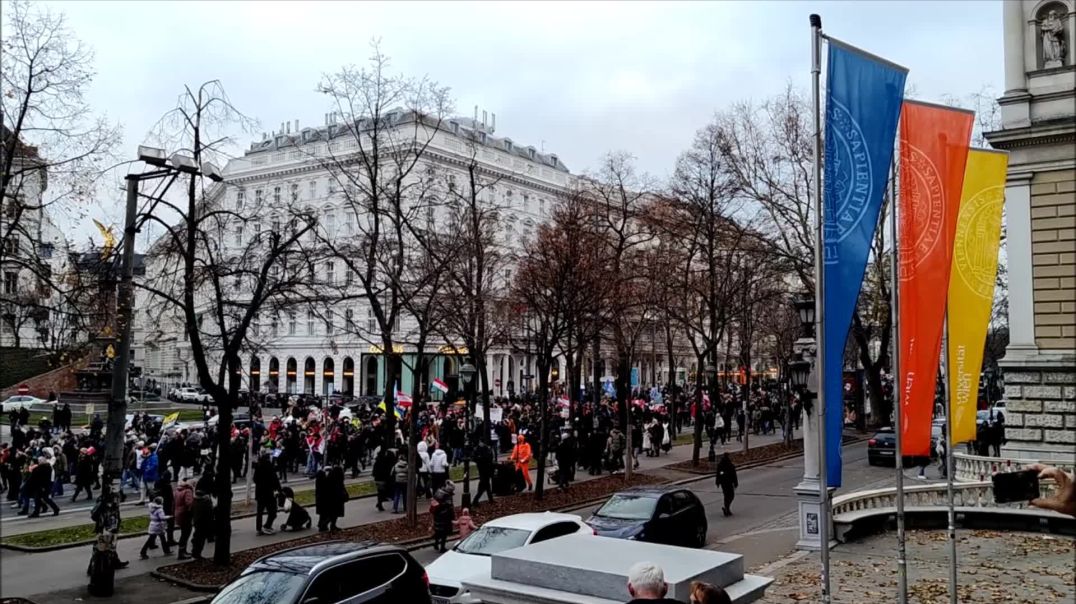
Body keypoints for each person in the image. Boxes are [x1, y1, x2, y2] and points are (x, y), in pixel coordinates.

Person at [253, 452, 280, 535]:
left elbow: (255, 479)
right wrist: (278, 489)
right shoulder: (270, 467)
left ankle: (258, 529)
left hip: (260, 493)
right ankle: (267, 526)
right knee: (273, 511)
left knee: (260, 512)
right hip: (268, 493)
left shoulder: (258, 467)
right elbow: (275, 480)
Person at [315, 463, 347, 532]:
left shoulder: (323, 478)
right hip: (336, 500)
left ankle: (323, 525)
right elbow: (340, 489)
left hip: (323, 499)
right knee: (333, 514)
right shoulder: (337, 478)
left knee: (325, 513)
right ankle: (327, 525)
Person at [430, 480, 456, 553]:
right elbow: (449, 506)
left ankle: (436, 543)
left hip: (437, 514)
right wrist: (452, 516)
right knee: (444, 532)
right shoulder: (447, 496)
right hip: (445, 516)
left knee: (438, 531)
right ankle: (442, 547)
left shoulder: (438, 491)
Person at [190, 487, 214, 559]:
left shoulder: (194, 501)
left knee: (197, 536)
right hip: (204, 523)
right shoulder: (205, 502)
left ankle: (194, 551)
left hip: (197, 521)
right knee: (201, 539)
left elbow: (191, 511)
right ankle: (197, 553)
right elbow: (210, 512)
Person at [173, 478, 194, 560]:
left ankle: (183, 551)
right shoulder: (188, 491)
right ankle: (182, 553)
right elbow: (189, 503)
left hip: (178, 513)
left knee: (183, 533)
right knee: (186, 533)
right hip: (185, 514)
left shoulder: (177, 490)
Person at [472, 440, 495, 508]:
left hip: (486, 469)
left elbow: (490, 457)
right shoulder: (477, 450)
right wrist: (480, 459)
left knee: (486, 485)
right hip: (482, 469)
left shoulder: (486, 449)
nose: (482, 444)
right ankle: (475, 501)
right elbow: (474, 458)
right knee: (484, 486)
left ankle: (490, 499)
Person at [372, 447, 395, 512]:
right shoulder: (385, 461)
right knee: (382, 491)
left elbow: (375, 469)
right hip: (382, 478)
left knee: (380, 491)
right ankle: (379, 503)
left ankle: (379, 502)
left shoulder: (378, 460)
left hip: (377, 478)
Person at [715, 453, 738, 517]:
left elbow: (718, 474)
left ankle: (727, 508)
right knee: (730, 495)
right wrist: (735, 483)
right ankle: (727, 508)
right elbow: (734, 475)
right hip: (728, 483)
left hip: (724, 483)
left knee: (727, 495)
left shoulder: (721, 464)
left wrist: (718, 482)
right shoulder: (729, 465)